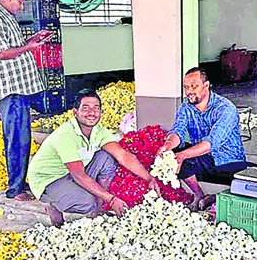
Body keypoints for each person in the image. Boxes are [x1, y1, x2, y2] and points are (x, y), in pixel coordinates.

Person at [27, 89, 162, 226]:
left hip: (71, 173)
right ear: (75, 112)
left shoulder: (99, 131)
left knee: (106, 157)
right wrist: (112, 200)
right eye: (85, 108)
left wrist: (149, 178)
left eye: (96, 108)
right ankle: (53, 205)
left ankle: (98, 210)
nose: (92, 113)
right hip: (49, 180)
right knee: (87, 202)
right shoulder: (66, 135)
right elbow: (79, 175)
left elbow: (123, 155)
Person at [0, 0, 52, 201]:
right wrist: (30, 47)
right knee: (16, 139)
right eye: (20, 2)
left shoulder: (7, 16)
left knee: (23, 137)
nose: (22, 7)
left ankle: (21, 183)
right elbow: (2, 54)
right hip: (9, 88)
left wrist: (33, 39)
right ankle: (15, 189)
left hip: (19, 87)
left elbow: (14, 47)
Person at [157, 67, 248, 210]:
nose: (188, 92)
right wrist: (168, 146)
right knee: (175, 151)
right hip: (204, 160)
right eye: (186, 87)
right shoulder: (186, 107)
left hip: (228, 163)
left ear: (206, 86)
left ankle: (215, 197)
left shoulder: (225, 108)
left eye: (194, 86)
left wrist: (182, 156)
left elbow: (211, 142)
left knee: (182, 155)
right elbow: (178, 131)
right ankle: (199, 194)